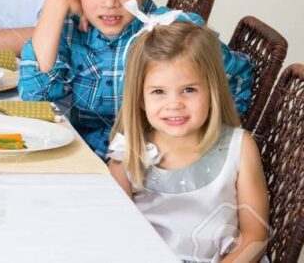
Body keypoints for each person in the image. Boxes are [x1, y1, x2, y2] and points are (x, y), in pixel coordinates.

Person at [18, 0, 253, 158]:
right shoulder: (70, 29)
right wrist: (55, 4)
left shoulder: (169, 32)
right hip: (88, 158)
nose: (110, 3)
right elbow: (35, 97)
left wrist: (197, 141)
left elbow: (237, 76)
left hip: (150, 166)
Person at [108, 22, 269, 262]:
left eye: (189, 90)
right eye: (158, 92)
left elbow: (255, 236)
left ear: (212, 91)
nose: (174, 104)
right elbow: (112, 227)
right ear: (140, 98)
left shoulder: (240, 148)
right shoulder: (127, 150)